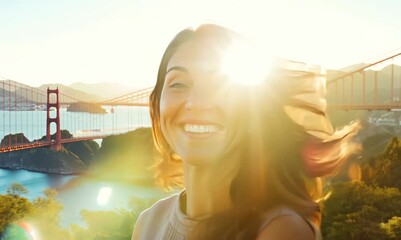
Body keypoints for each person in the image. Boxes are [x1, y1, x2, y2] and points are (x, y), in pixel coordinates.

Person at [132, 24, 360, 240]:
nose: (197, 103)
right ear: (156, 106)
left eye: (221, 85)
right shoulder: (148, 223)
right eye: (178, 84)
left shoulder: (280, 230)